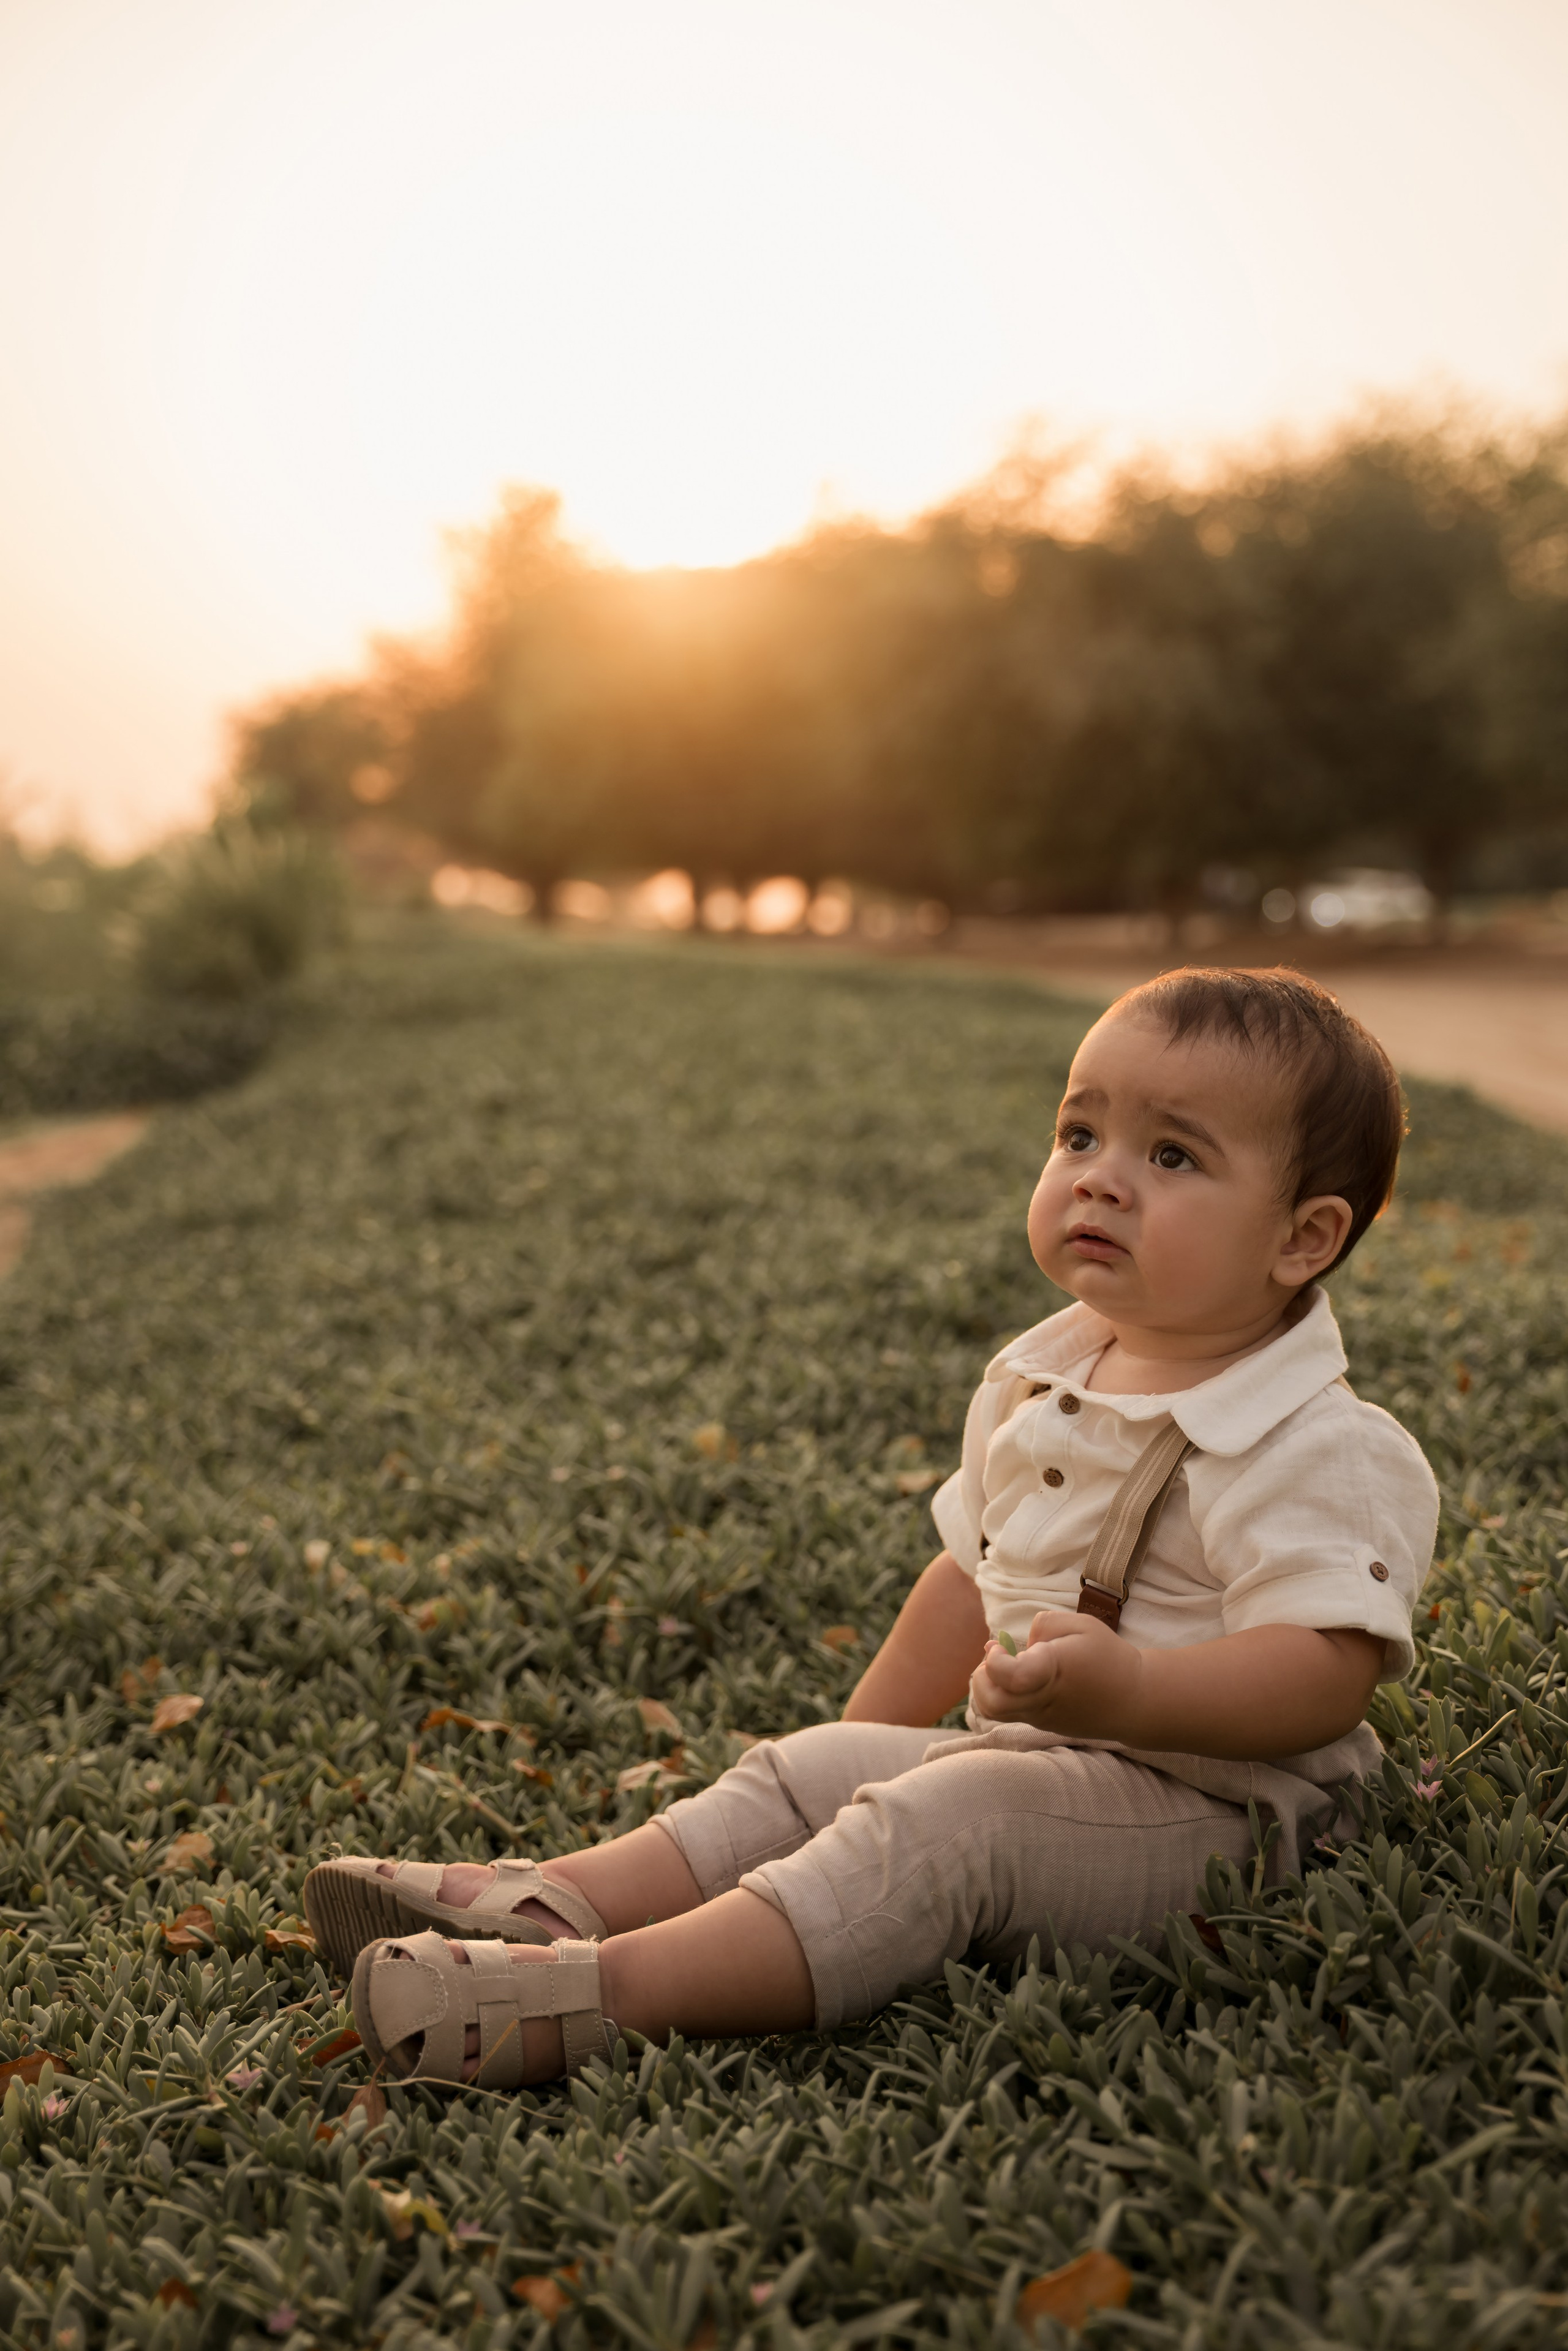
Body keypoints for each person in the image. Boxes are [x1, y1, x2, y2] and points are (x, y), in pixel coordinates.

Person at [304, 967, 1438, 2091]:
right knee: (820, 1767)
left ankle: (601, 1994)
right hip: (1061, 1763)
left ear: (1303, 1238)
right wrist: (854, 1773)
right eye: (1079, 1133)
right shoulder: (1044, 1377)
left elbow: (1324, 1673)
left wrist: (1130, 1692)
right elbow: (964, 1578)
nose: (1101, 1181)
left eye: (1172, 1155)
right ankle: (559, 1894)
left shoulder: (1314, 1442)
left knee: (952, 1824)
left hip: (1236, 1821)